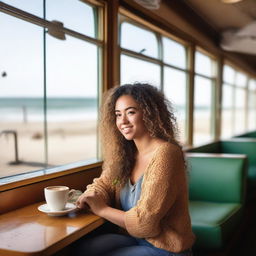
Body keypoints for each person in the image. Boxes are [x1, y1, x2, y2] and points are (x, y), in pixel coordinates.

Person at [75, 83, 195, 256]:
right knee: (83, 249)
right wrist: (89, 197)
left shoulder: (166, 154)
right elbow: (103, 184)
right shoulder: (124, 154)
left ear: (149, 114)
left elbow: (144, 224)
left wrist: (101, 209)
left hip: (165, 247)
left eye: (131, 112)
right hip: (134, 238)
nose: (122, 121)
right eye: (118, 114)